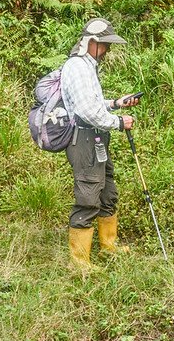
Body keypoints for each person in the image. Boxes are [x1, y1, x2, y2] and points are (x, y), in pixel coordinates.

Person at [60, 18, 140, 269]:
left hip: (96, 138)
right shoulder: (76, 67)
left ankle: (108, 247)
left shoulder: (88, 66)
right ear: (91, 43)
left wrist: (116, 103)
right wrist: (118, 122)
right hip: (82, 139)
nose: (107, 50)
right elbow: (85, 111)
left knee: (107, 193)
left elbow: (93, 104)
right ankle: (80, 263)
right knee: (88, 197)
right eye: (105, 45)